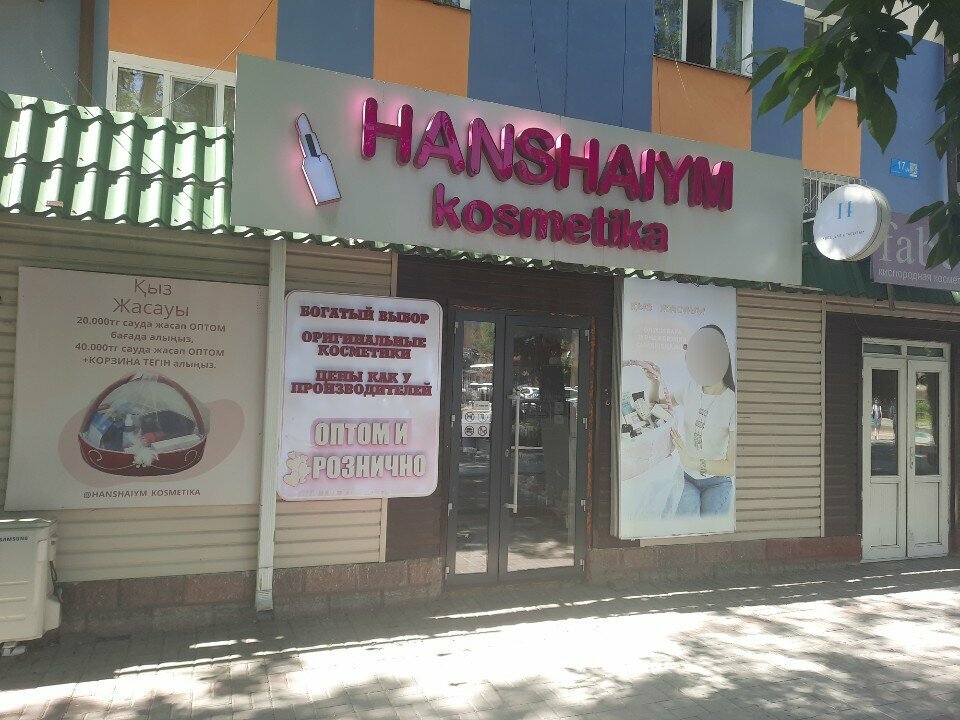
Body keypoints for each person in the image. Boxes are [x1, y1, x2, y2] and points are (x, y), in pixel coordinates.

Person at [627, 325, 736, 517]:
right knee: (684, 521)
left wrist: (689, 460)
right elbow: (655, 407)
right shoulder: (691, 388)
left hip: (718, 482)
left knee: (710, 526)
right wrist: (655, 381)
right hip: (686, 478)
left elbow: (730, 466)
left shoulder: (732, 402)